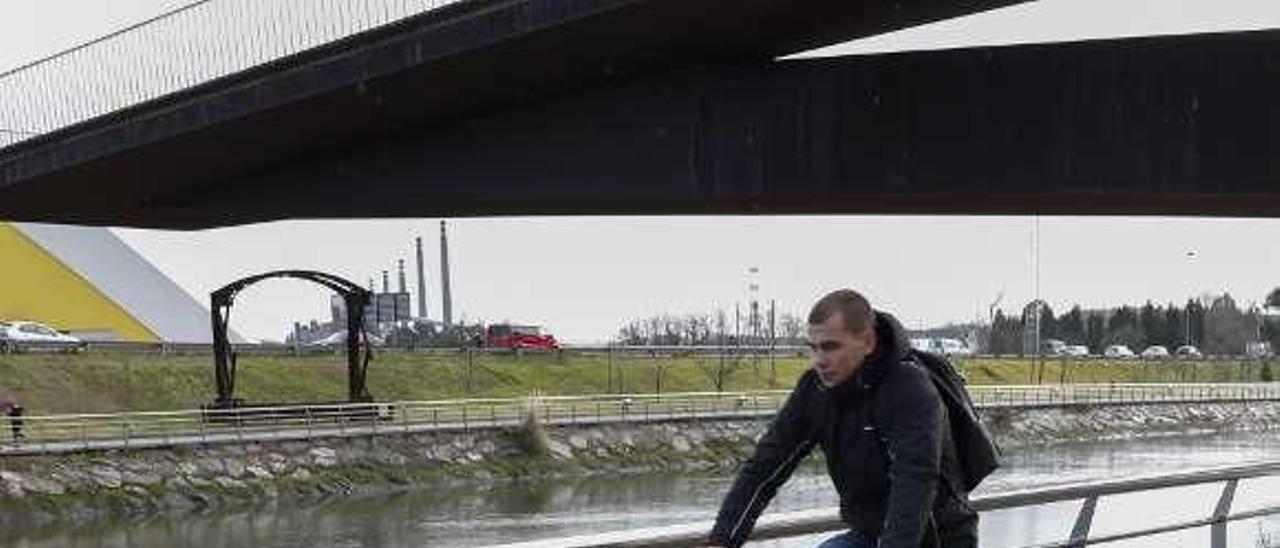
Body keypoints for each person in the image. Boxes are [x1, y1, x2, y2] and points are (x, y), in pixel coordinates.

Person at [704, 289, 977, 548]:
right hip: (869, 534)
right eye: (814, 348)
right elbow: (763, 469)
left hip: (939, 537)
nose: (820, 360)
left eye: (831, 347)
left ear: (868, 342)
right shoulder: (815, 390)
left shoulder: (908, 387)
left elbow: (915, 479)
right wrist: (722, 540)